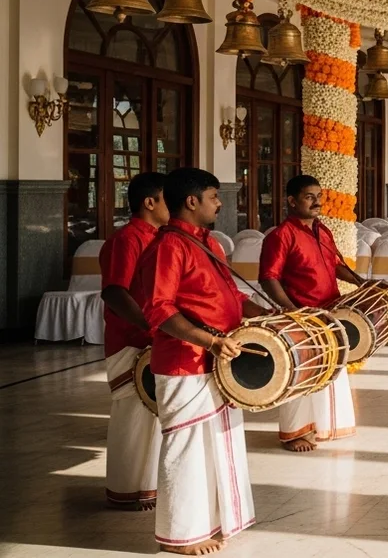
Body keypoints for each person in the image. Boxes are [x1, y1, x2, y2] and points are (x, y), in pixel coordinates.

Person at [131, 168, 261, 556]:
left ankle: (212, 521)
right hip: (184, 364)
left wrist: (266, 316)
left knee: (217, 444)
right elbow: (158, 310)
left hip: (218, 362)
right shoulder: (168, 247)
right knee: (187, 448)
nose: (219, 203)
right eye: (214, 196)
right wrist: (211, 341)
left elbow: (233, 298)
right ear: (191, 201)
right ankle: (181, 534)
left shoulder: (210, 245)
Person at [259, 174, 361, 452]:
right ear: (292, 201)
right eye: (309, 197)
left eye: (319, 196)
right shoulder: (281, 236)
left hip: (330, 311)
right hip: (302, 315)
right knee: (301, 375)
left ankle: (325, 426)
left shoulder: (322, 230)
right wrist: (291, 310)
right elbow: (269, 278)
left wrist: (359, 282)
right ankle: (293, 434)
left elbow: (335, 264)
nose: (317, 202)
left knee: (329, 370)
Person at [99, 172, 169, 510]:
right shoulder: (128, 239)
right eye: (167, 198)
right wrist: (151, 324)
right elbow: (114, 291)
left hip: (152, 336)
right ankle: (125, 490)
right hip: (130, 338)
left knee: (152, 417)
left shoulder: (160, 237)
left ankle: (146, 487)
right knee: (132, 414)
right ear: (149, 202)